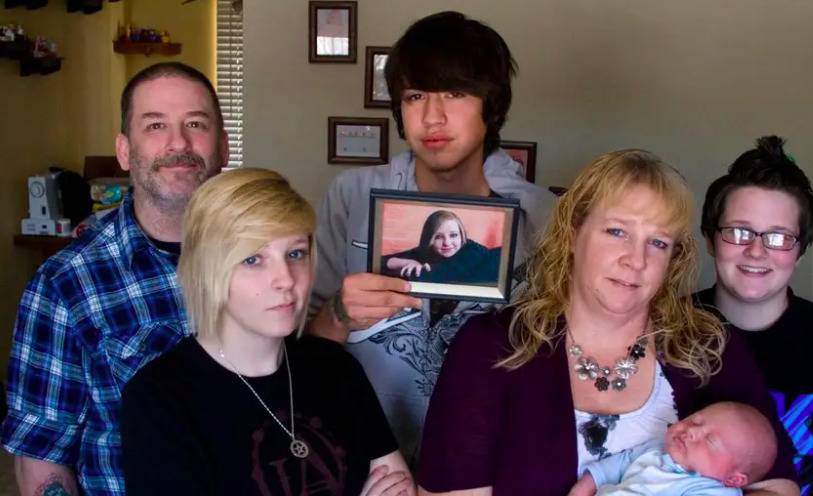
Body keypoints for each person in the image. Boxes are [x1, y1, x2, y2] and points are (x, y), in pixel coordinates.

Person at [417, 149, 799, 495]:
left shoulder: (709, 346)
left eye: (658, 242)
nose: (637, 259)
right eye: (617, 231)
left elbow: (776, 485)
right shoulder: (490, 347)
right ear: (572, 233)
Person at [308, 11, 554, 461]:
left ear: (491, 105)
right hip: (366, 455)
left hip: (493, 459)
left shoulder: (542, 214)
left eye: (456, 94)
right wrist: (338, 315)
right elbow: (305, 346)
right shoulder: (352, 194)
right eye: (415, 95)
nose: (432, 116)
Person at [1, 62, 228, 496]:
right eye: (155, 125)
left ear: (223, 146)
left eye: (195, 124)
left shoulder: (268, 259)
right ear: (124, 151)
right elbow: (42, 459)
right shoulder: (65, 284)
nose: (178, 143)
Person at [121, 168, 414, 496]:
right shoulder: (158, 399)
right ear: (208, 268)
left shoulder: (338, 369)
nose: (286, 279)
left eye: (295, 254)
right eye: (253, 259)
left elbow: (399, 488)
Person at [696, 136, 813, 495]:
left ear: (801, 250)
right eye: (739, 231)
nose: (756, 251)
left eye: (779, 237)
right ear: (710, 239)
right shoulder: (663, 330)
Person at [569, 402, 778, 495]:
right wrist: (582, 490)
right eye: (694, 421)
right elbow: (611, 468)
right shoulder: (658, 448)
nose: (692, 431)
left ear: (733, 480)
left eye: (710, 441)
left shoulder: (710, 491)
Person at [382, 210, 501, 284]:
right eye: (438, 237)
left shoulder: (472, 251)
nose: (447, 243)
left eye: (453, 235)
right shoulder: (429, 250)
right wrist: (407, 262)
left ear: (461, 235)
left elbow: (433, 276)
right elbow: (380, 261)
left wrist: (417, 269)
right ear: (429, 239)